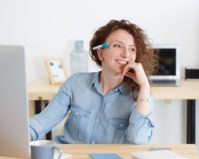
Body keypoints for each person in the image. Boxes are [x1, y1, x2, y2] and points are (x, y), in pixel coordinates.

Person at [29, 19, 158, 144]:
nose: (126, 54)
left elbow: (138, 139)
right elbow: (43, 121)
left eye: (132, 49)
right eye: (118, 46)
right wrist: (22, 136)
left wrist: (145, 86)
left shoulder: (141, 95)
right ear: (101, 53)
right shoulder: (75, 83)